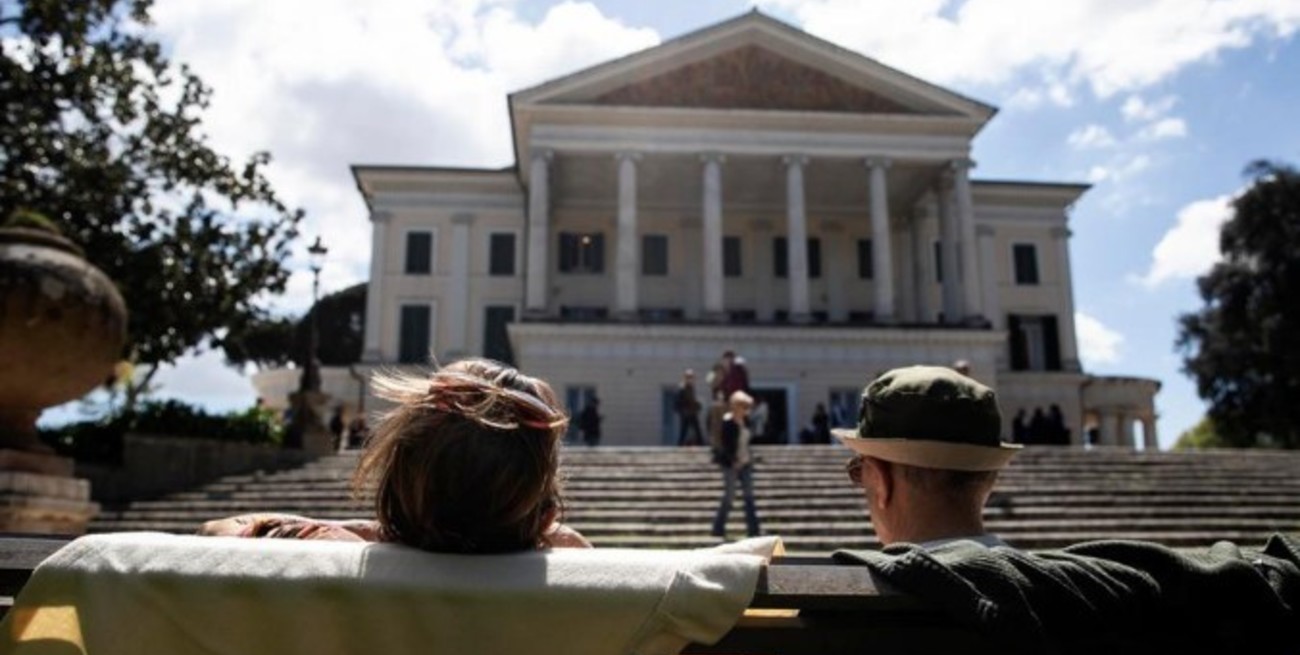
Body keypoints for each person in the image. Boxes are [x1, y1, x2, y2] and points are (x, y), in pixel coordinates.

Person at [199, 358, 592, 553]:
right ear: (547, 515)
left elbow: (217, 531)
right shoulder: (581, 583)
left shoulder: (335, 566)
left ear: (392, 477)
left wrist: (357, 531)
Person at [834, 365, 1021, 548]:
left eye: (858, 471)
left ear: (879, 481)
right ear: (990, 480)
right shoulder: (1035, 568)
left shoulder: (854, 569)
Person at [711, 390, 761, 539]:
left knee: (749, 495)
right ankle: (718, 528)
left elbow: (748, 442)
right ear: (735, 406)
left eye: (747, 407)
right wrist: (733, 460)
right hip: (730, 464)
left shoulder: (747, 422)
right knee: (730, 496)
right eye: (744, 407)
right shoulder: (727, 422)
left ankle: (754, 530)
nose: (746, 410)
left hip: (745, 463)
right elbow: (724, 445)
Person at [674, 369, 704, 446]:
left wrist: (696, 405)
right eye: (689, 377)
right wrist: (683, 410)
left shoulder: (691, 387)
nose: (690, 379)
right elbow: (680, 401)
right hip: (686, 413)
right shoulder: (682, 388)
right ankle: (680, 445)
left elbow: (692, 399)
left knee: (696, 430)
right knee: (684, 431)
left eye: (691, 377)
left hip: (691, 412)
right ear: (685, 378)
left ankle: (701, 444)